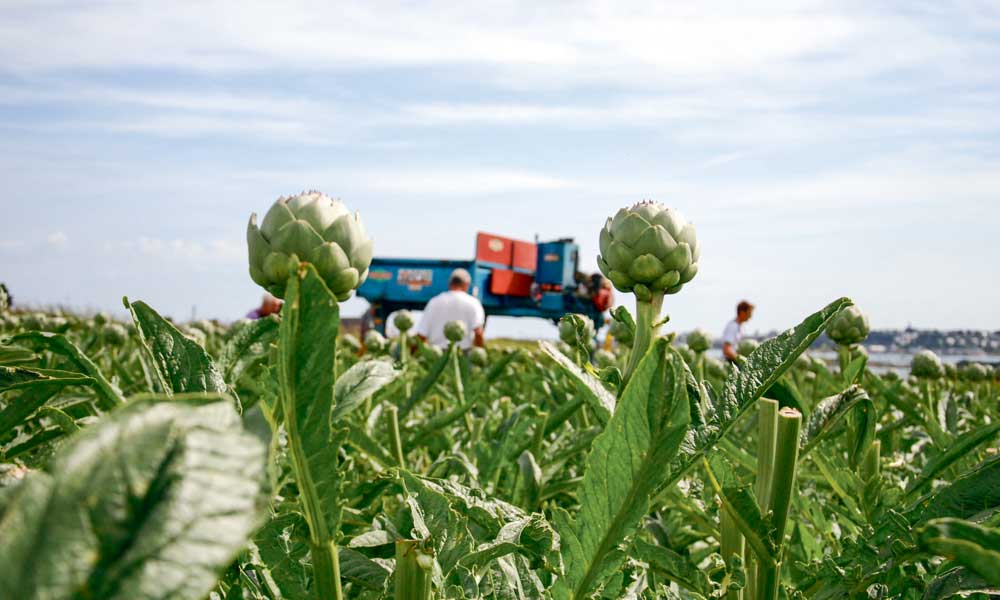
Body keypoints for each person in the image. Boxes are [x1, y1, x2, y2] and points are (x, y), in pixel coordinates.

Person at [416, 268, 485, 349]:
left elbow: (421, 335)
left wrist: (412, 355)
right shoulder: (473, 303)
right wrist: (480, 352)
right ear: (466, 285)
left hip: (437, 356)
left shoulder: (434, 302)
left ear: (450, 284)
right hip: (463, 355)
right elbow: (478, 333)